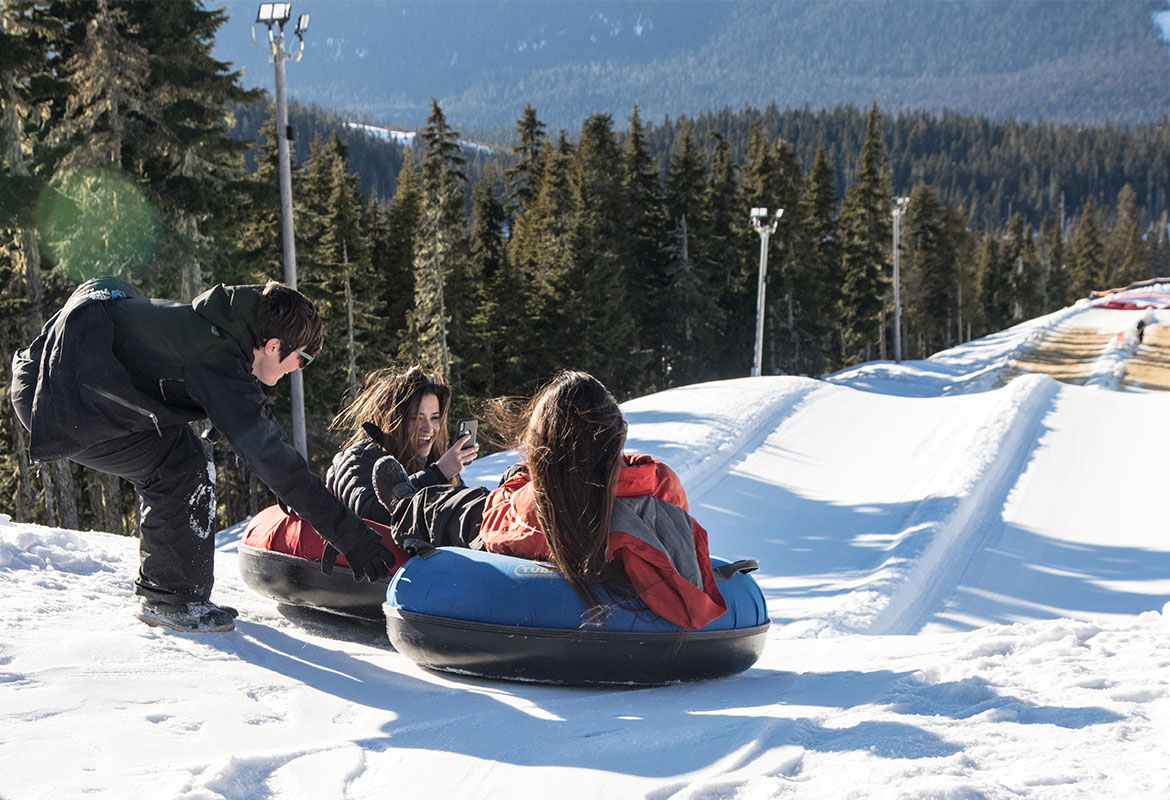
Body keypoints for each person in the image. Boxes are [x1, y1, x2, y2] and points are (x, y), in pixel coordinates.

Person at [10, 276, 396, 633]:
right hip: (57, 395)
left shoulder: (227, 330)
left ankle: (177, 596)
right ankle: (171, 601)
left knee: (183, 457)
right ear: (275, 346)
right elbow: (273, 458)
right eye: (303, 359)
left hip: (67, 379)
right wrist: (353, 538)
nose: (300, 369)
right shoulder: (218, 357)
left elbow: (262, 442)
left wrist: (286, 487)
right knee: (178, 464)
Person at [372, 370, 727, 630]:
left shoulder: (542, 505)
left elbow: (498, 529)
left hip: (503, 525)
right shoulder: (658, 480)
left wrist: (515, 483)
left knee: (456, 506)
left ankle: (404, 502)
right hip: (584, 501)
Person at [325, 366, 479, 526]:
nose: (428, 428)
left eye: (434, 418)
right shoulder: (358, 458)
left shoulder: (433, 460)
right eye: (416, 418)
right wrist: (437, 473)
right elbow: (372, 517)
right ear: (393, 421)